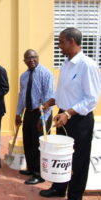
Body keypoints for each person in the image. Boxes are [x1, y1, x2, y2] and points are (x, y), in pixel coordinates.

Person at [40, 27, 101, 200]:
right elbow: (63, 91)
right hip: (63, 116)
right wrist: (51, 101)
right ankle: (59, 188)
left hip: (79, 120)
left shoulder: (87, 66)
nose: (59, 46)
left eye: (61, 42)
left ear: (72, 41)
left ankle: (75, 195)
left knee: (79, 160)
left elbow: (91, 99)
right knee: (61, 156)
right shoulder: (66, 64)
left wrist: (68, 113)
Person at [16, 49, 54, 185]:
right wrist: (18, 113)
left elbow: (50, 97)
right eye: (28, 58)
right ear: (24, 60)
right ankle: (31, 168)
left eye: (34, 57)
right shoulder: (24, 76)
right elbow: (21, 96)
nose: (31, 60)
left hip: (42, 114)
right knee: (28, 141)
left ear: (37, 58)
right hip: (29, 113)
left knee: (39, 144)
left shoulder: (46, 73)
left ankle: (39, 174)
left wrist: (43, 118)